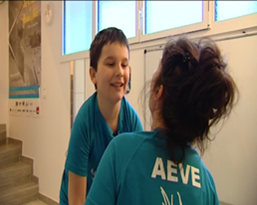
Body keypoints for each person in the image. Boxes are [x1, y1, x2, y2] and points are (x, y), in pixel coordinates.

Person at [85, 37, 238, 205]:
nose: (120, 72)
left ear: (159, 91)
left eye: (124, 64)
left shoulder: (121, 153)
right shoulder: (206, 184)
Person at [59, 27, 143, 205]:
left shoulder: (133, 123)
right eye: (111, 64)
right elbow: (76, 201)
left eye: (124, 64)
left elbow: (134, 186)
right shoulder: (84, 123)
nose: (120, 72)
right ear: (93, 74)